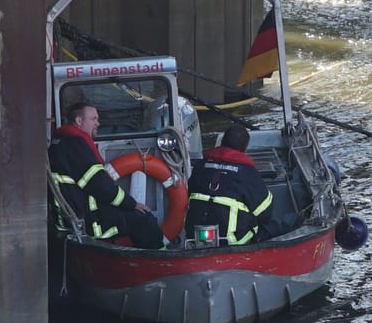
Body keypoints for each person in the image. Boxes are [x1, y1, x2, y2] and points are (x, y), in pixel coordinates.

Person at [48, 101, 165, 249]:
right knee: (145, 220)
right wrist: (132, 204)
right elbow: (100, 186)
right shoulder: (76, 146)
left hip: (71, 218)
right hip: (90, 222)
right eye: (93, 119)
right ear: (79, 121)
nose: (98, 123)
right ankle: (163, 265)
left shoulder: (59, 143)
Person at [185, 122, 277, 246]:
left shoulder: (200, 166)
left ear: (222, 142)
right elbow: (265, 211)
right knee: (273, 226)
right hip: (232, 242)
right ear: (245, 148)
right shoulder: (247, 173)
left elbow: (187, 194)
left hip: (194, 238)